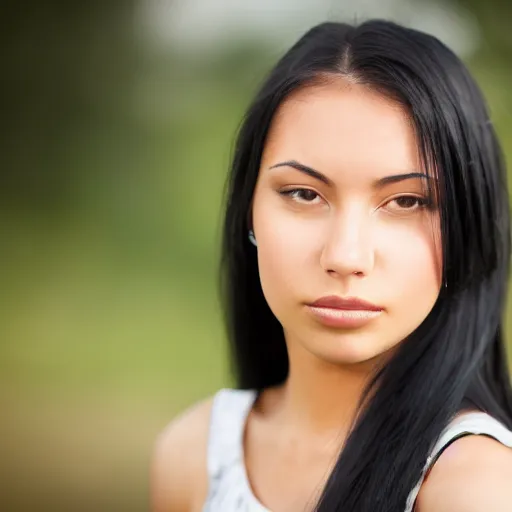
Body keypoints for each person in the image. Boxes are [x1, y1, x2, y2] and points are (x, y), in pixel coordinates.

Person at [151, 19, 512, 512]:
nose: (345, 256)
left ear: (466, 225)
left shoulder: (474, 487)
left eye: (406, 201)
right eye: (303, 194)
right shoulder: (192, 454)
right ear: (248, 213)